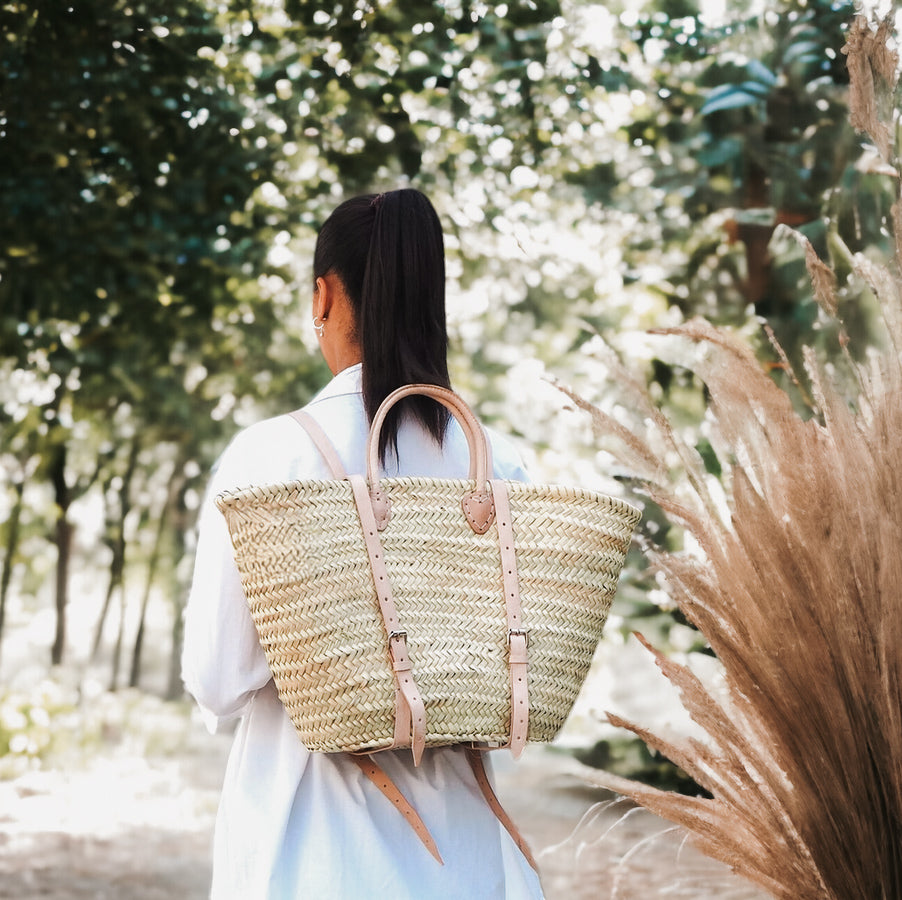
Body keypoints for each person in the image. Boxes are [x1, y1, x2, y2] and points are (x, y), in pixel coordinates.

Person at [182, 188, 545, 899]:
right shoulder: (495, 467)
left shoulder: (272, 457)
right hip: (463, 858)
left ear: (323, 297)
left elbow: (218, 679)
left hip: (309, 849)